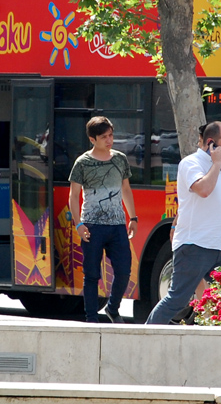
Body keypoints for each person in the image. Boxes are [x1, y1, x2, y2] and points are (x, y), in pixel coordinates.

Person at [146, 121, 221, 325]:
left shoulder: (218, 167)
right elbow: (203, 190)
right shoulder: (191, 163)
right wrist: (216, 164)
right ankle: (144, 339)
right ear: (211, 143)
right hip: (195, 246)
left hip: (220, 247)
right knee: (177, 300)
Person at [68, 116, 138, 324]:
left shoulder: (120, 159)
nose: (109, 140)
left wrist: (132, 217)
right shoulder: (82, 163)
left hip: (117, 225)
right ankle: (91, 318)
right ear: (92, 139)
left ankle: (112, 308)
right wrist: (78, 224)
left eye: (111, 135)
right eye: (104, 137)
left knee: (124, 271)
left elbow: (126, 188)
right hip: (92, 225)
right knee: (91, 275)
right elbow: (73, 196)